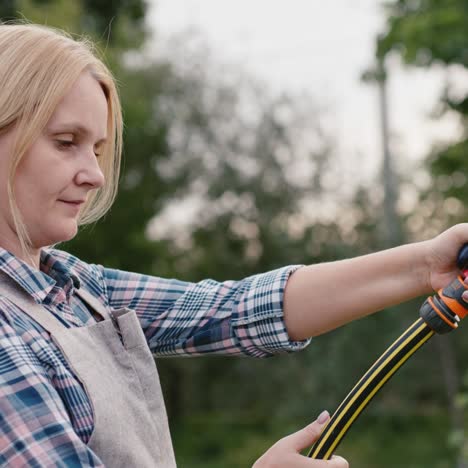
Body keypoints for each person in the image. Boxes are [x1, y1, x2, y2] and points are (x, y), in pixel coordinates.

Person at [0, 21, 467, 468]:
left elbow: (232, 310)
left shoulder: (76, 290)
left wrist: (428, 266)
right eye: (65, 142)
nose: (95, 174)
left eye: (97, 150)